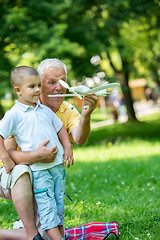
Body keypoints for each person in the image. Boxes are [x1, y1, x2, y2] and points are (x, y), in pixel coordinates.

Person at [0, 58, 98, 240]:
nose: (59, 87)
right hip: (13, 174)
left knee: (53, 215)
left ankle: (34, 228)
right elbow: (10, 155)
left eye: (62, 82)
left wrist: (86, 115)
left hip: (44, 173)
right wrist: (36, 156)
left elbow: (78, 137)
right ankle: (26, 232)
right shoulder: (17, 113)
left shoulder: (59, 110)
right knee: (24, 173)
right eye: (51, 82)